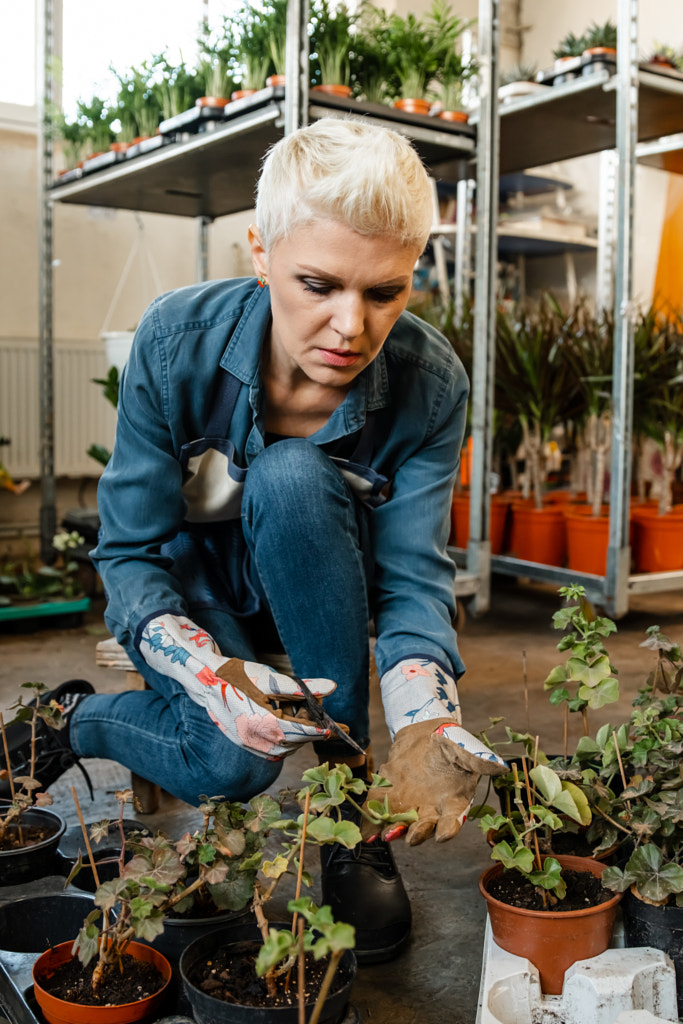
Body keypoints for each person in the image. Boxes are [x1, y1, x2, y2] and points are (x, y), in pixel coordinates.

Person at [2, 117, 505, 962]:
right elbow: (128, 552)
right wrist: (209, 671)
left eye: (383, 292)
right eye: (317, 283)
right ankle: (72, 720)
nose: (350, 325)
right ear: (260, 252)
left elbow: (413, 574)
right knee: (230, 767)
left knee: (292, 475)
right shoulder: (173, 343)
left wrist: (428, 722)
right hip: (197, 594)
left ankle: (349, 823)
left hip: (318, 589)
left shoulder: (430, 385)